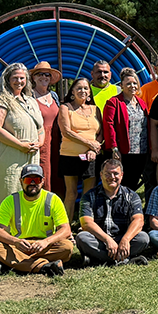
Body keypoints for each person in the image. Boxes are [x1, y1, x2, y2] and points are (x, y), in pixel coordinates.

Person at [0, 164, 73, 277]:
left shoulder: (53, 199)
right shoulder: (10, 200)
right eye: (28, 179)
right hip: (19, 246)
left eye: (36, 180)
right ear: (21, 181)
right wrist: (15, 242)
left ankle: (13, 264)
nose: (32, 183)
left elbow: (66, 230)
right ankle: (44, 266)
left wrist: (46, 242)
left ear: (42, 181)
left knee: (67, 247)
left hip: (44, 246)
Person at [0, 62, 43, 219]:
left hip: (32, 154)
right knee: (8, 190)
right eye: (15, 78)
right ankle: (2, 229)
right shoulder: (1, 100)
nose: (19, 81)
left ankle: (25, 227)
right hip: (9, 154)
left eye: (22, 78)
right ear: (7, 80)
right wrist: (20, 145)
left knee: (29, 190)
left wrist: (40, 142)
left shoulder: (31, 101)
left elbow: (40, 127)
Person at [76, 159, 151, 266]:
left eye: (116, 173)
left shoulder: (132, 196)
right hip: (100, 239)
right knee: (82, 238)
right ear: (101, 175)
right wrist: (107, 240)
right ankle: (124, 259)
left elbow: (138, 221)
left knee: (143, 238)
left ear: (122, 175)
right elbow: (86, 223)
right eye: (107, 174)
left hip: (123, 238)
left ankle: (100, 259)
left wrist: (125, 239)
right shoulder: (89, 196)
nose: (112, 177)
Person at [58, 77, 103, 222]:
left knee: (88, 193)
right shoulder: (65, 108)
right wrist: (89, 143)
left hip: (90, 156)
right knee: (71, 193)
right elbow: (66, 132)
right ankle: (65, 226)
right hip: (69, 155)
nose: (82, 91)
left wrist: (93, 149)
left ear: (89, 92)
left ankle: (85, 224)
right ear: (72, 91)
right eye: (79, 88)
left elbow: (101, 133)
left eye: (85, 88)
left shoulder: (95, 109)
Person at [102, 67, 149, 190]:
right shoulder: (113, 102)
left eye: (134, 83)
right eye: (128, 83)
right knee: (120, 184)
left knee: (133, 184)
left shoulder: (141, 103)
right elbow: (109, 125)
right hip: (123, 152)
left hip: (141, 151)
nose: (132, 86)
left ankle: (129, 202)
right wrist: (114, 148)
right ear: (121, 85)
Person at [29, 61, 61, 191]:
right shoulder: (29, 97)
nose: (44, 77)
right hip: (40, 138)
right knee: (43, 168)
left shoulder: (53, 96)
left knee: (57, 168)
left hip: (56, 138)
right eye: (40, 74)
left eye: (47, 74)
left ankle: (57, 198)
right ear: (34, 78)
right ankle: (43, 196)